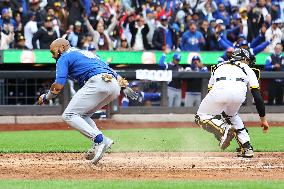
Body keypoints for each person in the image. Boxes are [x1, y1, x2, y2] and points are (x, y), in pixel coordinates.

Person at [37, 38, 137, 164]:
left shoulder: (64, 57)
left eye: (53, 51)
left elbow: (59, 85)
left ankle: (99, 140)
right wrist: (125, 86)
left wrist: (46, 97)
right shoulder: (86, 53)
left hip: (98, 82)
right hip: (114, 86)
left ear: (62, 47)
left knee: (68, 115)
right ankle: (100, 142)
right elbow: (109, 69)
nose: (52, 56)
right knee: (82, 115)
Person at [195, 48, 269, 158]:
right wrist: (263, 120)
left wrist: (214, 123)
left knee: (200, 117)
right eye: (247, 60)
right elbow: (257, 97)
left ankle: (223, 129)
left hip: (219, 91)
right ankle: (246, 146)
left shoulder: (219, 66)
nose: (249, 62)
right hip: (239, 95)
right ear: (243, 59)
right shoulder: (247, 68)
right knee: (231, 115)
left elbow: (210, 90)